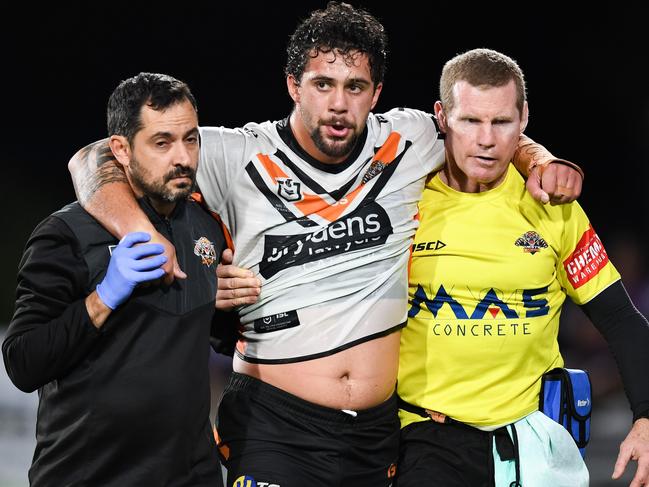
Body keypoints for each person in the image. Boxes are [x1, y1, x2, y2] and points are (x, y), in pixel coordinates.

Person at [66, 4, 584, 486]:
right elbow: (92, 160)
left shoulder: (409, 140)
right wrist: (144, 237)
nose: (339, 104)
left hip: (376, 435)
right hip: (275, 424)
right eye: (322, 84)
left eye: (356, 86)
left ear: (377, 92)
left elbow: (484, 129)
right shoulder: (235, 154)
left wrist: (539, 161)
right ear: (293, 85)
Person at [395, 48, 649, 487]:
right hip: (425, 441)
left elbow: (620, 318)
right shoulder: (403, 203)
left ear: (524, 118)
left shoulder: (556, 207)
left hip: (534, 443)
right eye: (470, 121)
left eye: (501, 122)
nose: (487, 139)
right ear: (441, 116)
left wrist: (647, 417)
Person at [2, 73, 226, 486]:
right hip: (89, 474)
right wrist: (103, 299)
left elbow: (207, 338)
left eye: (191, 140)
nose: (183, 158)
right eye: (162, 143)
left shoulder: (206, 228)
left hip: (191, 474)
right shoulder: (66, 234)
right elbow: (22, 361)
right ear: (120, 149)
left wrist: (232, 305)